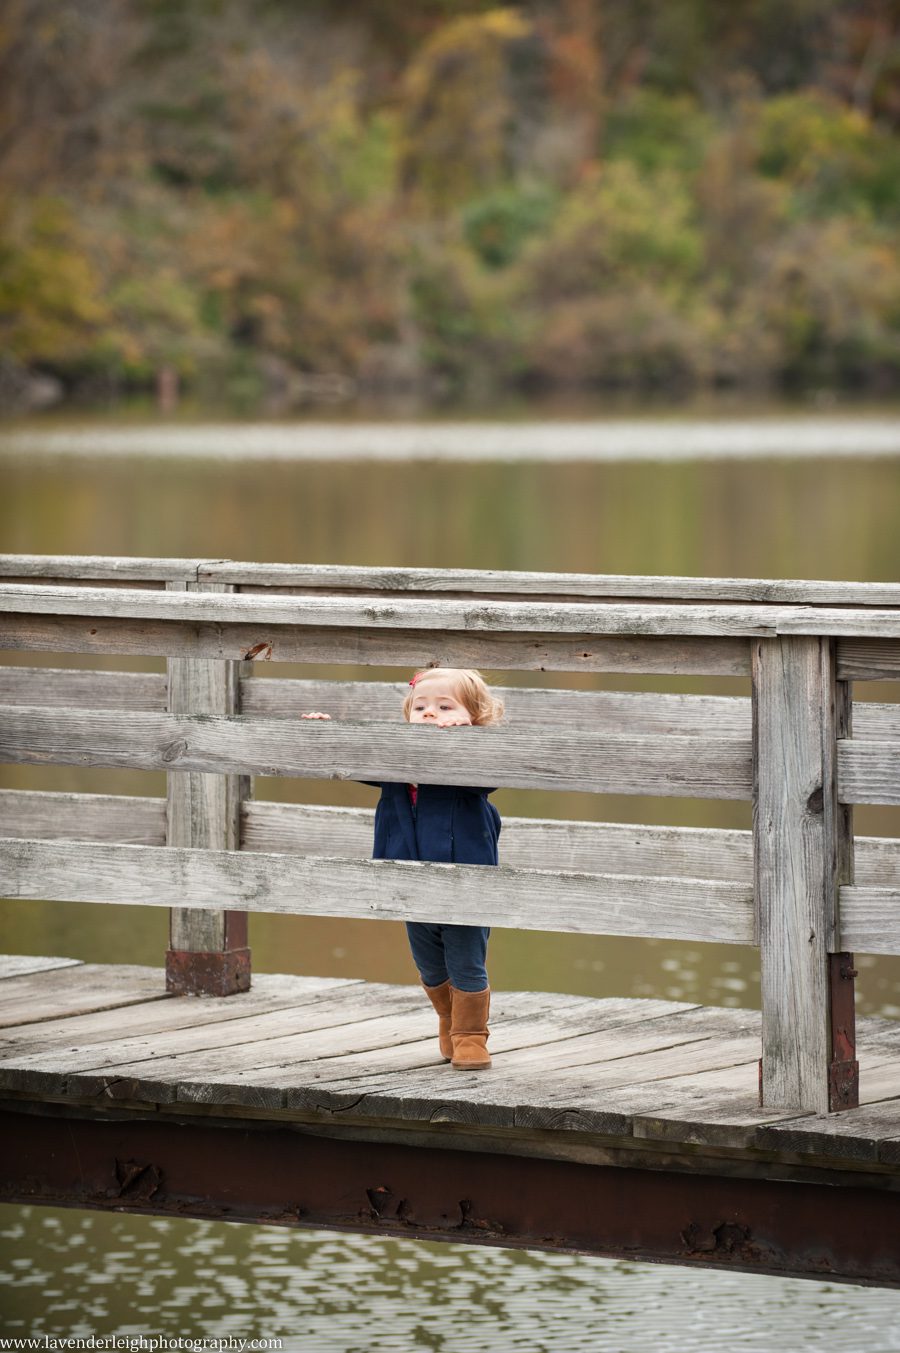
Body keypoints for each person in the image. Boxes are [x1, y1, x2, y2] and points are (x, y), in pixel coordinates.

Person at [302, 667, 503, 1070]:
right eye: (421, 706)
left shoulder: (470, 765)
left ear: (473, 717)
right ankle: (447, 1019)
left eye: (445, 706)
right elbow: (359, 760)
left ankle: (470, 1036)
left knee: (465, 959)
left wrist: (465, 740)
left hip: (463, 883)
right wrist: (330, 735)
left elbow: (490, 776)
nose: (431, 713)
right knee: (428, 961)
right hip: (406, 880)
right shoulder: (396, 761)